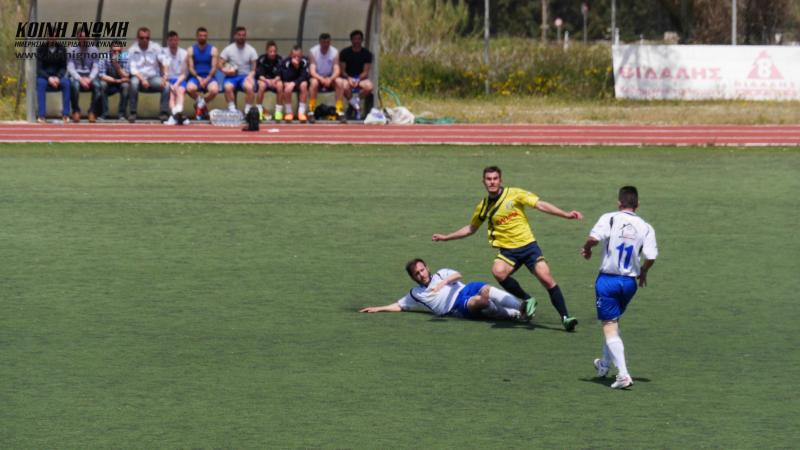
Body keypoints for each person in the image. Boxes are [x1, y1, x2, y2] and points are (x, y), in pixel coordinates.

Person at [432, 166, 583, 331]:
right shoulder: (483, 206)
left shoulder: (515, 193)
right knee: (498, 271)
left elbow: (540, 205)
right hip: (509, 252)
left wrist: (566, 214)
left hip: (529, 247)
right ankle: (527, 299)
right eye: (488, 179)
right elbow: (471, 228)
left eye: (495, 178)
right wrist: (446, 237)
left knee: (546, 279)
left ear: (500, 180)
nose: (492, 182)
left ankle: (566, 318)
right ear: (483, 182)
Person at [580, 186, 658, 389]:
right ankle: (604, 364)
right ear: (637, 204)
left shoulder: (610, 218)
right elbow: (651, 256)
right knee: (613, 321)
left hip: (608, 281)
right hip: (629, 283)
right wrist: (643, 271)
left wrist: (587, 248)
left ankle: (623, 374)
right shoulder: (646, 227)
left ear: (619, 203)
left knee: (609, 325)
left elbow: (594, 239)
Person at [360, 258, 535, 322]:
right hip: (456, 306)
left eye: (422, 270)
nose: (421, 274)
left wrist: (443, 283)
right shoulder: (416, 293)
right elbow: (400, 305)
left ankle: (522, 307)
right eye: (417, 274)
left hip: (467, 288)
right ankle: (515, 315)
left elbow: (458, 275)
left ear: (427, 268)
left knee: (488, 289)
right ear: (413, 277)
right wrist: (378, 308)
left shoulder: (441, 273)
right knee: (482, 301)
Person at [127, 26, 169, 122]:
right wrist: (142, 79)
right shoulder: (132, 50)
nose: (144, 40)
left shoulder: (156, 47)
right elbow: (133, 69)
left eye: (147, 38)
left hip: (153, 77)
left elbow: (165, 61)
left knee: (166, 86)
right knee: (133, 83)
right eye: (142, 38)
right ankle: (133, 113)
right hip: (138, 77)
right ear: (137, 38)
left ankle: (164, 113)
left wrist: (165, 76)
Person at [219, 26, 258, 114]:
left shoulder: (251, 50)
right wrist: (225, 71)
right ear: (235, 36)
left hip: (245, 76)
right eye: (239, 35)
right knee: (227, 87)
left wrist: (250, 76)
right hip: (232, 77)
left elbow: (254, 69)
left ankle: (247, 110)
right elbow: (220, 63)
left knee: (250, 87)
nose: (241, 37)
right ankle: (232, 109)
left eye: (243, 35)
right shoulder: (228, 49)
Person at [185, 27, 220, 120]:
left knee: (214, 90)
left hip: (209, 77)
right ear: (197, 37)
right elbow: (190, 67)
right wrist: (199, 78)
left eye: (205, 36)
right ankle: (202, 105)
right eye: (200, 35)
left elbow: (214, 67)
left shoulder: (213, 50)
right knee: (189, 88)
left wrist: (207, 79)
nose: (203, 37)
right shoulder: (190, 50)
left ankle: (199, 105)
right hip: (196, 77)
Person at [35, 33, 70, 123]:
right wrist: (49, 78)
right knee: (40, 83)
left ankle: (66, 115)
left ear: (57, 37)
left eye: (54, 36)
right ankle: (41, 115)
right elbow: (39, 69)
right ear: (47, 37)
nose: (52, 38)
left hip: (58, 78)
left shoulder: (62, 49)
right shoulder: (41, 49)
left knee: (66, 83)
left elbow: (63, 67)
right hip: (44, 78)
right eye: (50, 36)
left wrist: (58, 77)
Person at [66, 30, 101, 122]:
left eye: (85, 37)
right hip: (77, 76)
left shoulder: (94, 49)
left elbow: (96, 66)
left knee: (98, 86)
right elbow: (70, 68)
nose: (83, 39)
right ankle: (76, 111)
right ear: (78, 37)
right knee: (74, 85)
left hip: (90, 76)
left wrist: (90, 78)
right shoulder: (72, 50)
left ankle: (92, 111)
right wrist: (80, 79)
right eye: (81, 37)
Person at [338, 29, 373, 119]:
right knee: (343, 86)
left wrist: (358, 79)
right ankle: (356, 107)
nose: (357, 41)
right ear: (351, 40)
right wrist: (349, 78)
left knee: (369, 86)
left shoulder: (367, 54)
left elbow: (365, 72)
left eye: (359, 39)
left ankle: (353, 103)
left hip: (361, 78)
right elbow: (342, 71)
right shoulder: (344, 52)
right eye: (355, 39)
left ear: (362, 40)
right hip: (347, 78)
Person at [307, 33, 342, 123]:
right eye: (323, 42)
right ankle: (311, 111)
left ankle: (339, 110)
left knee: (339, 82)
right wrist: (321, 78)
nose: (325, 45)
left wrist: (330, 79)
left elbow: (337, 69)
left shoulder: (335, 52)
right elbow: (312, 70)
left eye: (327, 42)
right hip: (317, 77)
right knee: (314, 83)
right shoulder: (313, 51)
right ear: (320, 42)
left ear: (330, 42)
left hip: (330, 78)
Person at [96, 41, 130, 120]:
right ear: (110, 50)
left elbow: (127, 76)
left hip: (121, 83)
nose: (117, 53)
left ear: (122, 50)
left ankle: (121, 114)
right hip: (109, 82)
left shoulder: (126, 57)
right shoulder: (104, 56)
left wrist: (116, 65)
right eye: (114, 51)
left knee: (126, 86)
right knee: (102, 84)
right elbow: (101, 75)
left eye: (119, 51)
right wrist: (116, 81)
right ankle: (104, 113)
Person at [160, 30, 188, 125]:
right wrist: (166, 79)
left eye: (175, 40)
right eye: (171, 40)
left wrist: (176, 83)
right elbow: (165, 68)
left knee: (180, 91)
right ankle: (177, 116)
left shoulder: (184, 53)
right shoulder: (163, 51)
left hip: (180, 79)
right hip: (168, 79)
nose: (173, 42)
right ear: (167, 41)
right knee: (171, 94)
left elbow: (184, 74)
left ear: (178, 40)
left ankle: (175, 116)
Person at [279, 45, 310, 122]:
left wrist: (297, 66)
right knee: (287, 87)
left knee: (304, 84)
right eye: (294, 56)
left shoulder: (305, 62)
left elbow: (304, 76)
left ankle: (301, 112)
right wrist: (294, 66)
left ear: (301, 55)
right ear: (290, 55)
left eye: (298, 56)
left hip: (299, 82)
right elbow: (285, 77)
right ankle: (289, 112)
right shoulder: (286, 62)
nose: (296, 58)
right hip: (289, 82)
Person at [255, 41, 283, 121]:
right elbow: (260, 75)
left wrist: (274, 80)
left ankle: (278, 111)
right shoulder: (261, 59)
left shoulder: (279, 59)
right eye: (270, 51)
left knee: (280, 85)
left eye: (274, 51)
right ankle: (259, 110)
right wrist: (267, 81)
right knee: (262, 86)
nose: (272, 53)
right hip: (264, 80)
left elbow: (280, 75)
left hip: (275, 81)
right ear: (266, 51)